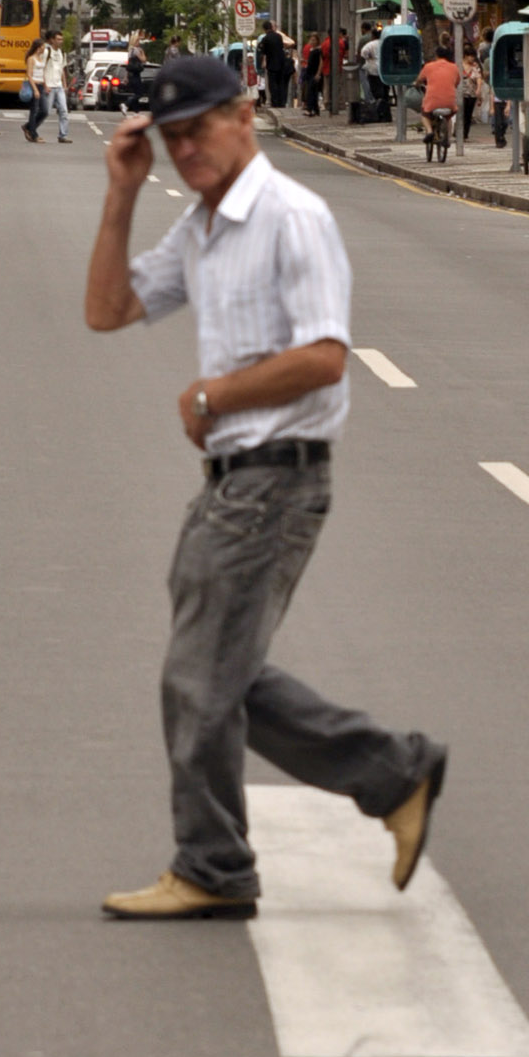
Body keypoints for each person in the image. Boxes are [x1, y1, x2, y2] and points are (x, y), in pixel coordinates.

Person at [83, 54, 449, 921]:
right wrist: (122, 191)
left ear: (244, 116)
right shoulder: (204, 225)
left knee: (198, 680)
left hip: (275, 480)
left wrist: (211, 394)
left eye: (198, 130)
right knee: (214, 675)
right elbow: (106, 309)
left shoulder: (291, 217)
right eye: (171, 140)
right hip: (229, 483)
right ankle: (394, 773)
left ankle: (213, 865)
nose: (186, 152)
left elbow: (325, 355)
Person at [413, 44, 460, 143]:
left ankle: (429, 131)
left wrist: (416, 84)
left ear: (436, 55)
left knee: (425, 114)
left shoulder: (428, 66)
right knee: (448, 118)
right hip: (449, 101)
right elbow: (457, 82)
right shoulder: (454, 67)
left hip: (432, 101)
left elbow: (419, 80)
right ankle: (447, 138)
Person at [42, 29, 71, 142]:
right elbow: (42, 69)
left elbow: (62, 69)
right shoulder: (46, 52)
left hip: (59, 86)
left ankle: (63, 135)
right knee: (45, 111)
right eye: (58, 39)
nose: (60, 41)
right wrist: (45, 85)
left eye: (61, 39)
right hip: (49, 85)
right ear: (52, 40)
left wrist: (65, 84)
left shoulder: (62, 53)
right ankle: (31, 128)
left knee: (64, 111)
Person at [23, 36, 50, 142]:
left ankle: (28, 127)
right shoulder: (31, 59)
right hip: (34, 85)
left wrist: (45, 85)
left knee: (44, 111)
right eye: (43, 46)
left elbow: (42, 73)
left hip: (41, 85)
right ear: (39, 47)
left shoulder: (41, 58)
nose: (45, 48)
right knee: (34, 110)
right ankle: (34, 134)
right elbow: (29, 75)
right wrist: (35, 89)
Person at [258, 20, 289, 109]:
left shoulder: (265, 39)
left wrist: (264, 61)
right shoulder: (278, 36)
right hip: (281, 63)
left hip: (271, 64)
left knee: (273, 84)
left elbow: (263, 52)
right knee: (281, 83)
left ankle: (275, 102)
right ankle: (281, 102)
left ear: (264, 29)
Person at [461, 47, 486, 140]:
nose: (473, 58)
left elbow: (479, 78)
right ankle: (459, 131)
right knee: (461, 113)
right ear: (466, 56)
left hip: (471, 93)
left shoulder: (475, 66)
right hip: (460, 93)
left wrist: (479, 89)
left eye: (473, 56)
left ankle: (465, 133)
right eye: (471, 56)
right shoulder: (459, 65)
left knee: (468, 114)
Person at [301, 32, 322, 117]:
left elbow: (321, 62)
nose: (312, 42)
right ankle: (315, 110)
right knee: (311, 91)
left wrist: (318, 73)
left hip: (314, 73)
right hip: (309, 72)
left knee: (311, 91)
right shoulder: (311, 50)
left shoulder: (318, 50)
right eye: (311, 40)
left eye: (314, 40)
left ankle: (310, 109)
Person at [124, 40, 147, 113]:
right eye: (137, 41)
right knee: (140, 94)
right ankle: (126, 104)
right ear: (134, 42)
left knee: (136, 93)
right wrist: (142, 52)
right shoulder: (136, 50)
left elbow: (128, 64)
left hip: (131, 75)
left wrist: (126, 76)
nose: (139, 43)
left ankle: (136, 112)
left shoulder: (130, 51)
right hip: (136, 74)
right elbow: (144, 60)